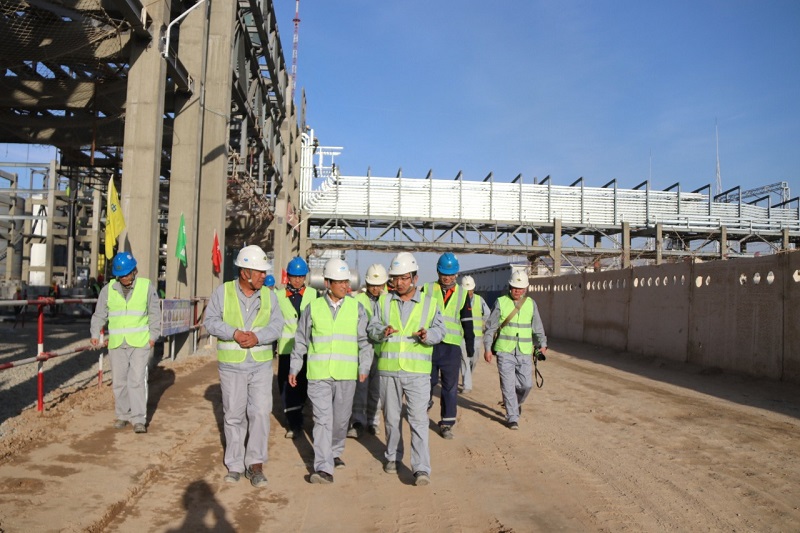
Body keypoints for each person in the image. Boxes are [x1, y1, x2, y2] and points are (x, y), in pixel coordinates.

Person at [203, 245, 284, 487]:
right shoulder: (223, 292)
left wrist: (258, 337)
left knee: (260, 413)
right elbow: (210, 321)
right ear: (244, 272)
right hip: (232, 366)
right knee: (234, 416)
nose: (263, 276)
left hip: (260, 365)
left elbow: (278, 325)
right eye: (259, 271)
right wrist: (234, 333)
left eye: (264, 271)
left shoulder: (270, 296)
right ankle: (235, 464)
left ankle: (255, 464)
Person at [289, 258, 372, 484]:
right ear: (328, 283)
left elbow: (364, 341)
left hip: (346, 374)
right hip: (319, 374)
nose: (346, 286)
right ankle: (323, 467)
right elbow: (301, 340)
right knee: (322, 420)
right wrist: (295, 367)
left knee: (341, 421)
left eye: (347, 281)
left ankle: (334, 452)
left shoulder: (357, 308)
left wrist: (364, 366)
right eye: (340, 282)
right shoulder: (313, 308)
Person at [368, 252, 445, 486]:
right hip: (389, 370)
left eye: (404, 278)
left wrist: (428, 335)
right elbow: (372, 328)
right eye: (396, 278)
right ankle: (393, 456)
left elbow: (440, 331)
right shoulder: (383, 302)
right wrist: (382, 332)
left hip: (417, 372)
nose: (399, 283)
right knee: (392, 418)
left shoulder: (430, 304)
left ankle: (421, 468)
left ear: (414, 278)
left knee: (418, 420)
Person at [90, 252, 161, 434]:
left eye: (127, 274)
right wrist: (95, 333)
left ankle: (138, 419)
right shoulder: (108, 290)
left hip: (140, 342)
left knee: (136, 380)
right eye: (121, 275)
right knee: (119, 381)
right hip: (117, 343)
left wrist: (153, 336)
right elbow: (99, 314)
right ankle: (122, 415)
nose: (124, 278)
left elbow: (154, 313)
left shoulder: (146, 286)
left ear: (134, 271)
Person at [483, 269, 548, 430]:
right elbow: (490, 328)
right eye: (514, 288)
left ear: (525, 289)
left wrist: (542, 343)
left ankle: (515, 403)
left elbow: (537, 326)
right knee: (508, 385)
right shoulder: (500, 302)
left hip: (524, 351)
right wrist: (487, 348)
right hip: (505, 351)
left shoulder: (531, 304)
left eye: (520, 288)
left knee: (526, 385)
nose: (517, 291)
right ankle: (512, 416)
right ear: (510, 287)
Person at [422, 252, 474, 440]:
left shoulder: (462, 293)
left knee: (450, 387)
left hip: (451, 347)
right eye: (444, 273)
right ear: (438, 272)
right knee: (427, 381)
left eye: (451, 275)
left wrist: (470, 345)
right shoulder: (427, 289)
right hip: (430, 344)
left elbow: (467, 321)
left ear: (456, 274)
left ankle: (446, 423)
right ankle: (423, 408)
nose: (447, 278)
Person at [276, 256, 318, 438]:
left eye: (301, 276)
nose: (298, 280)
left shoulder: (314, 295)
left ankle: (301, 412)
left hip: (308, 350)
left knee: (304, 386)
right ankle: (294, 424)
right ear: (288, 276)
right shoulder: (278, 297)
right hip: (287, 350)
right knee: (287, 387)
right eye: (294, 276)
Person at [347, 263, 388, 439]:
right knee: (360, 387)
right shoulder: (357, 300)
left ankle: (373, 421)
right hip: (363, 350)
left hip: (382, 351)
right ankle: (357, 421)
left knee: (376, 389)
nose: (376, 288)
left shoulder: (389, 301)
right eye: (372, 285)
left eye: (379, 285)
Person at [459, 275, 489, 394]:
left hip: (476, 336)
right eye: (466, 290)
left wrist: (485, 326)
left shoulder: (479, 300)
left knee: (473, 359)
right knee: (465, 359)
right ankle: (467, 385)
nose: (468, 292)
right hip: (462, 336)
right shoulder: (458, 300)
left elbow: (487, 314)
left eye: (470, 290)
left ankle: (468, 377)